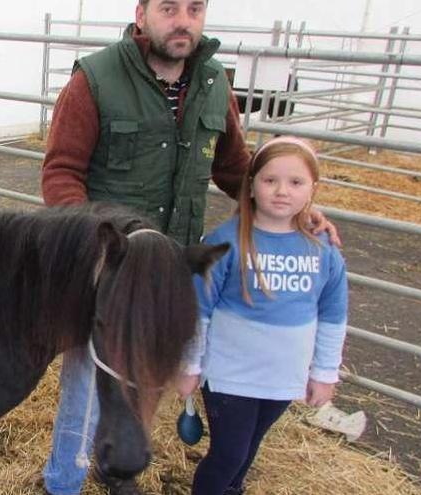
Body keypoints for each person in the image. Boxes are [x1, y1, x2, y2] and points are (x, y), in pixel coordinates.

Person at [39, 0, 340, 494]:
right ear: (142, 15)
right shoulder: (94, 80)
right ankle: (64, 479)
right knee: (87, 378)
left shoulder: (213, 84)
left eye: (195, 9)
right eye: (169, 8)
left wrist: (295, 209)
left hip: (173, 265)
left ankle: (117, 465)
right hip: (108, 264)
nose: (183, 21)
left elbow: (233, 167)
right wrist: (90, 245)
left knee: (151, 372)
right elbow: (61, 171)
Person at [175, 136, 349, 495]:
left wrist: (324, 373)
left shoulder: (323, 249)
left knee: (248, 450)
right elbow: (198, 311)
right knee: (228, 453)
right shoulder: (224, 242)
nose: (282, 191)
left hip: (283, 374)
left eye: (296, 182)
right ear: (251, 184)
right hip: (230, 374)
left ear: (312, 189)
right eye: (270, 180)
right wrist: (190, 365)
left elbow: (333, 316)